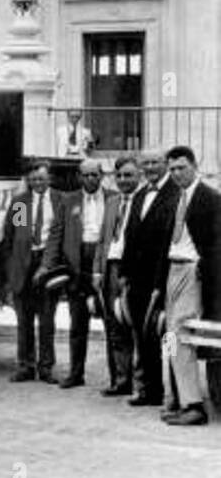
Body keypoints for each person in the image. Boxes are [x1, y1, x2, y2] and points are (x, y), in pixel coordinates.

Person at [159, 146, 221, 426]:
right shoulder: (174, 198)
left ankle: (194, 406)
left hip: (193, 272)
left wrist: (205, 275)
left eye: (181, 168)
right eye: (171, 169)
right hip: (172, 270)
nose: (176, 174)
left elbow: (217, 245)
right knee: (171, 339)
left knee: (180, 335)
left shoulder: (210, 199)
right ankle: (183, 399)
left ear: (195, 165)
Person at [45, 158, 114, 388]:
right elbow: (56, 234)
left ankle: (118, 378)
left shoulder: (113, 198)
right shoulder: (67, 200)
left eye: (95, 174)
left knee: (111, 325)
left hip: (104, 263)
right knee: (77, 324)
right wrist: (48, 264)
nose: (90, 179)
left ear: (102, 176)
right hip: (77, 266)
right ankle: (76, 373)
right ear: (79, 177)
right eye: (86, 175)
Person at [121, 147, 178, 408]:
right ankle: (151, 391)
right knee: (144, 337)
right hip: (137, 280)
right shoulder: (140, 194)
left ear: (165, 164)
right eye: (147, 163)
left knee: (170, 338)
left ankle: (176, 393)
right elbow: (130, 236)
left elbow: (170, 243)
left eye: (156, 162)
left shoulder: (176, 193)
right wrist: (124, 273)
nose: (151, 168)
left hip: (164, 279)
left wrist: (160, 282)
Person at [2, 161, 63, 384]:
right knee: (24, 319)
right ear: (28, 180)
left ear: (50, 179)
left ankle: (46, 367)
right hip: (24, 265)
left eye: (42, 179)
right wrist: (12, 269)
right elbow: (15, 237)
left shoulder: (59, 201)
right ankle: (25, 366)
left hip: (48, 262)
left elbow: (61, 236)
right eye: (33, 179)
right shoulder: (21, 203)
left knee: (47, 319)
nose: (38, 183)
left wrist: (49, 264)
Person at [91, 156, 141, 396]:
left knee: (141, 327)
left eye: (128, 175)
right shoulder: (22, 202)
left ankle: (147, 384)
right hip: (104, 270)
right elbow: (103, 239)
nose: (123, 180)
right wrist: (97, 270)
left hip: (131, 270)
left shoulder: (143, 201)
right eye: (119, 176)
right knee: (112, 327)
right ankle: (121, 380)